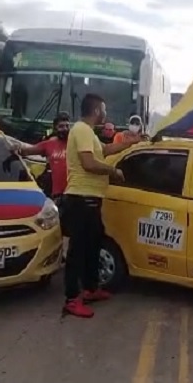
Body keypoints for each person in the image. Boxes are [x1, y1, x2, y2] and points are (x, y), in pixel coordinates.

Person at [61, 93, 141, 318]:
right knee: (77, 252)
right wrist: (112, 171)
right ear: (97, 111)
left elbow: (104, 151)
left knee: (93, 246)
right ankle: (71, 298)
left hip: (91, 199)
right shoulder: (81, 130)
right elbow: (88, 163)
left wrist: (129, 143)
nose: (106, 113)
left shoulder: (90, 134)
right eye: (103, 109)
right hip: (80, 199)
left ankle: (90, 289)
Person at [11, 112, 70, 199]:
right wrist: (15, 147)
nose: (65, 129)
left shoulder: (75, 143)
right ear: (55, 128)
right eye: (61, 126)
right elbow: (26, 151)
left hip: (72, 192)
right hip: (56, 194)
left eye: (67, 126)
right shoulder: (49, 144)